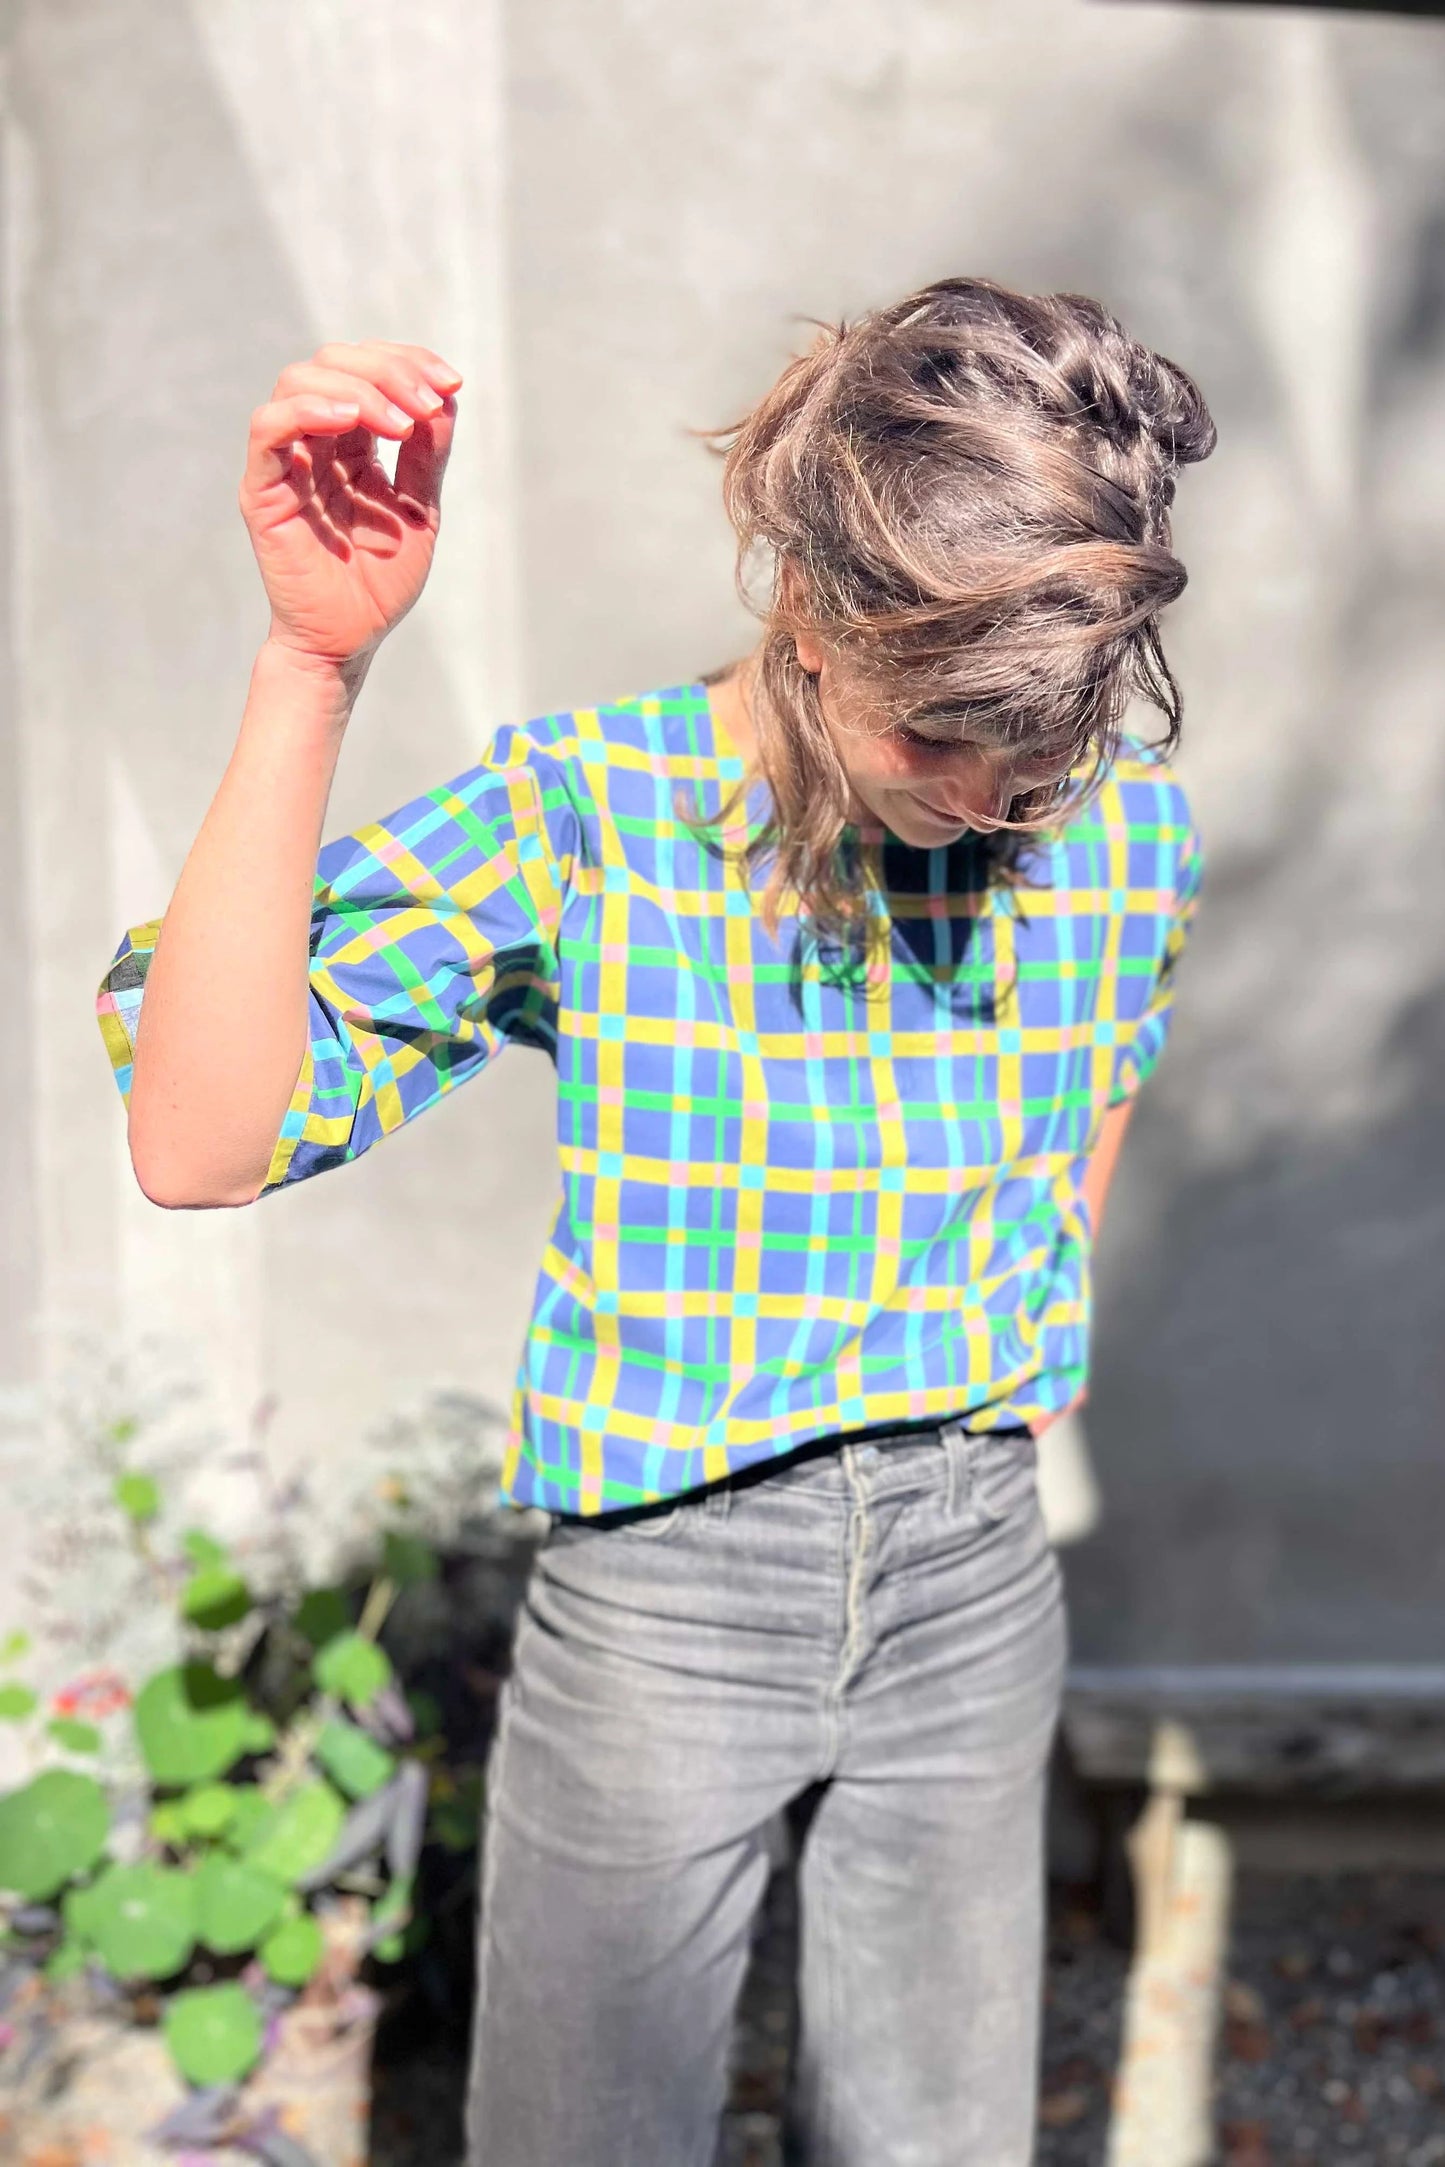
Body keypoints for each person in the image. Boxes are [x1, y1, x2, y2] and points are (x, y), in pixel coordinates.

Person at [96, 275, 1214, 2166]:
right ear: (807, 601)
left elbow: (1090, 1078)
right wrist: (313, 664)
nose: (994, 800)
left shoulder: (1115, 827)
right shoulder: (596, 814)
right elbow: (203, 1138)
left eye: (1040, 748)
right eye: (941, 743)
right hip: (672, 1588)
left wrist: (1023, 1360)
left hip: (973, 1578)